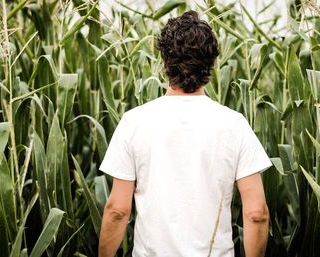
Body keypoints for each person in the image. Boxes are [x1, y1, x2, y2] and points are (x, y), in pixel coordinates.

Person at [98, 10, 272, 257]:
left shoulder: (134, 122)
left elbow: (117, 210)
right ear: (211, 63)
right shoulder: (235, 125)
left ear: (164, 61)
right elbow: (257, 213)